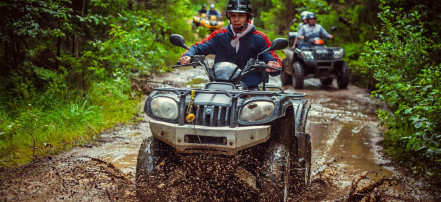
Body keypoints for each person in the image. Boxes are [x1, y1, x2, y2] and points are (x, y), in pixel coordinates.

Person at [179, 0, 281, 90]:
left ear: (248, 16)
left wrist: (273, 65)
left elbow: (273, 61)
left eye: (241, 15)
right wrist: (187, 55)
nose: (236, 19)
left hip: (249, 90)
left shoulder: (261, 38)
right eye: (233, 15)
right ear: (229, 16)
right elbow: (199, 47)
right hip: (220, 87)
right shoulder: (219, 35)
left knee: (262, 109)